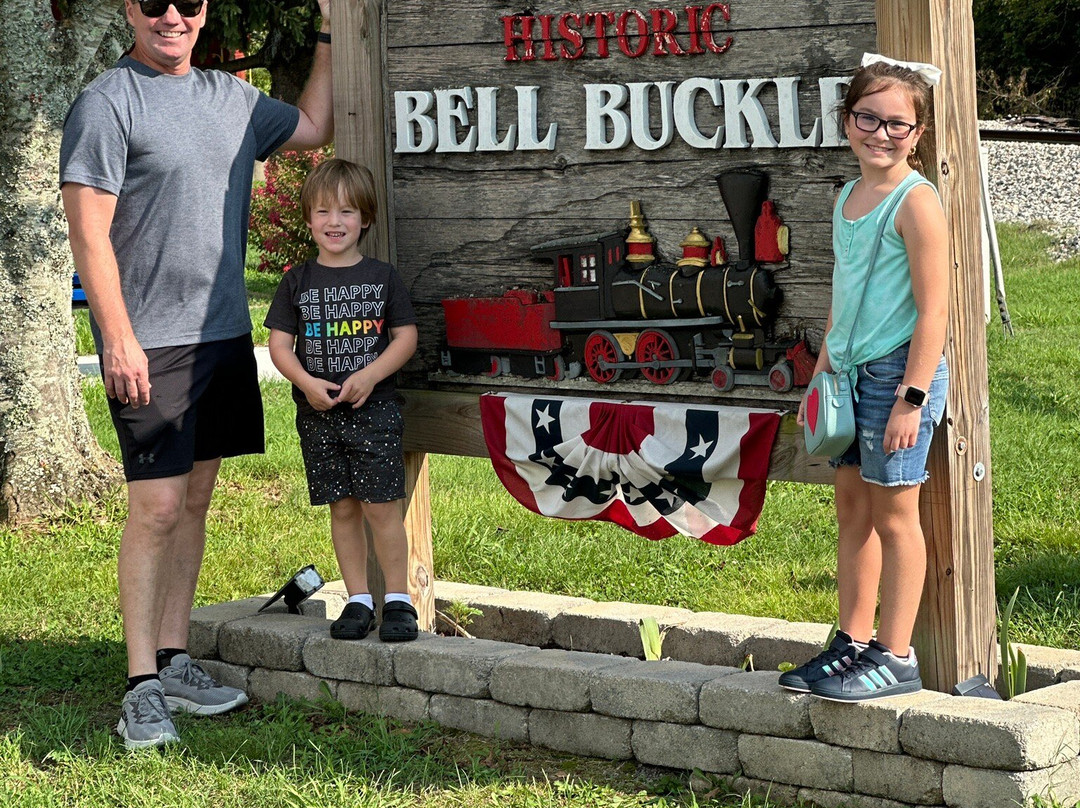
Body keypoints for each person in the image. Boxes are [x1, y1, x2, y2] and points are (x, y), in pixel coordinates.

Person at [59, 0, 335, 749]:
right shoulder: (108, 103)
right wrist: (118, 339)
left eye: (186, 2)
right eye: (154, 3)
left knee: (195, 500)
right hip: (150, 342)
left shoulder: (231, 98)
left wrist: (327, 30)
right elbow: (88, 233)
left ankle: (175, 659)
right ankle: (140, 687)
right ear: (130, 10)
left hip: (221, 335)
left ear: (205, 11)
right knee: (155, 507)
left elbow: (315, 127)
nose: (171, 16)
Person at [779, 53, 949, 701]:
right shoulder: (848, 197)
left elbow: (935, 311)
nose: (881, 134)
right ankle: (851, 643)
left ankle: (896, 656)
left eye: (897, 124)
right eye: (867, 118)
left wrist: (912, 397)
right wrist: (823, 370)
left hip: (897, 377)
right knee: (852, 509)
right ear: (846, 121)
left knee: (895, 515)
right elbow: (843, 295)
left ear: (917, 133)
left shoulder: (916, 202)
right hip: (848, 375)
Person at [264, 158, 420, 646]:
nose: (335, 221)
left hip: (373, 412)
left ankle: (398, 599)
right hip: (319, 415)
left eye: (347, 211)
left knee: (381, 508)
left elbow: (406, 338)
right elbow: (279, 345)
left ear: (365, 219)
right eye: (324, 211)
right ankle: (359, 599)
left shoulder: (382, 277)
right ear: (309, 219)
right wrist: (306, 382)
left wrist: (371, 375)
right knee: (343, 508)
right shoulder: (296, 281)